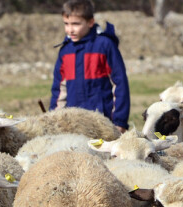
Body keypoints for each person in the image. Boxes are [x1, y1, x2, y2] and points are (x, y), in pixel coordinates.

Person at [49, 0, 130, 132]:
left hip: (103, 122)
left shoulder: (105, 45)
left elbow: (120, 84)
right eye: (66, 24)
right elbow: (59, 90)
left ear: (90, 22)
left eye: (76, 24)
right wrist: (53, 120)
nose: (70, 29)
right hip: (73, 123)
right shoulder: (65, 51)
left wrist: (119, 120)